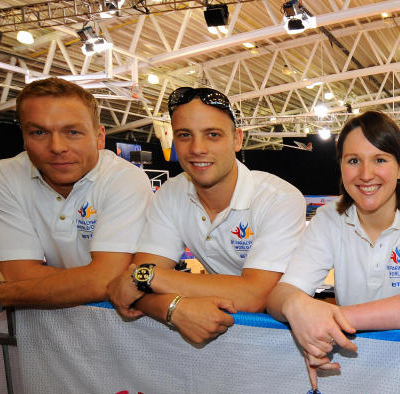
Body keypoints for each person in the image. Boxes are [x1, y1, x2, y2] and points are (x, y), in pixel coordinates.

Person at [108, 87, 305, 345]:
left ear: (237, 139)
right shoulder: (171, 194)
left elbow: (256, 297)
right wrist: (174, 307)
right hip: (226, 333)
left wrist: (152, 279)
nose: (197, 148)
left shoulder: (278, 198)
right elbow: (132, 288)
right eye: (184, 135)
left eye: (212, 134)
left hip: (289, 337)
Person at [267, 110, 400, 388]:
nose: (365, 174)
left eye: (380, 159)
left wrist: (324, 320)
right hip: (351, 368)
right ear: (341, 166)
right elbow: (281, 294)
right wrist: (295, 306)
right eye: (353, 161)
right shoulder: (329, 219)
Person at [0, 77, 151, 311]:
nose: (57, 147)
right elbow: (16, 273)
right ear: (24, 137)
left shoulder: (125, 178)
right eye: (39, 132)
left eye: (73, 132)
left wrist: (2, 293)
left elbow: (106, 279)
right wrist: (91, 281)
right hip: (53, 333)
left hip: (133, 329)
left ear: (99, 137)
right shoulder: (3, 176)